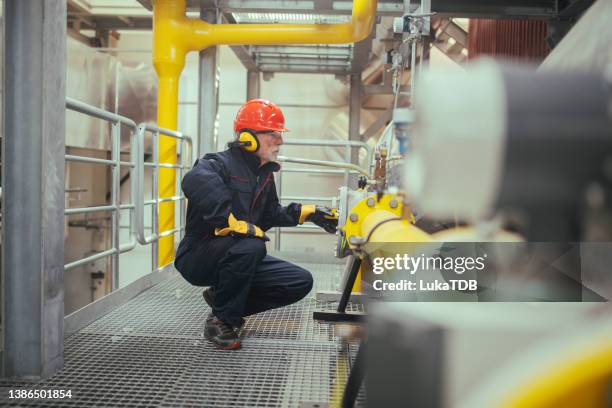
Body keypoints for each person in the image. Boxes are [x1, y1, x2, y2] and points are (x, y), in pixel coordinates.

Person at [175, 99, 338, 350]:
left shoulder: (264, 173)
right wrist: (228, 219)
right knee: (253, 245)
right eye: (273, 134)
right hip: (198, 255)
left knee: (299, 281)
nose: (280, 141)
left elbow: (270, 214)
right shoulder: (219, 163)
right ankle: (220, 321)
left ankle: (221, 301)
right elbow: (194, 180)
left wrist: (309, 213)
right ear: (248, 137)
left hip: (237, 254)